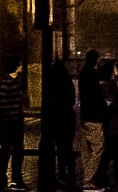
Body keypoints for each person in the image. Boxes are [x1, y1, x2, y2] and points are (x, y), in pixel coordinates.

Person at [77, 50, 111, 186]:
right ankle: (88, 179)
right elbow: (96, 96)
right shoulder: (92, 75)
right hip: (94, 116)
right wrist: (105, 106)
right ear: (96, 60)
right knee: (98, 148)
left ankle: (87, 178)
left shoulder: (83, 74)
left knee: (86, 151)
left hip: (85, 115)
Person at [44, 58, 78, 186]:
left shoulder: (50, 83)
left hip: (55, 118)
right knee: (68, 148)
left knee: (59, 149)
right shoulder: (67, 82)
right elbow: (72, 100)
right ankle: (71, 175)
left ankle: (61, 173)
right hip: (66, 118)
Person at [0, 61, 29, 188]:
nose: (21, 67)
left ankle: (4, 176)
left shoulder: (6, 81)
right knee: (16, 151)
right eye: (19, 65)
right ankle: (15, 177)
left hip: (6, 122)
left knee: (6, 150)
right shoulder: (9, 82)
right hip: (12, 121)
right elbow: (6, 103)